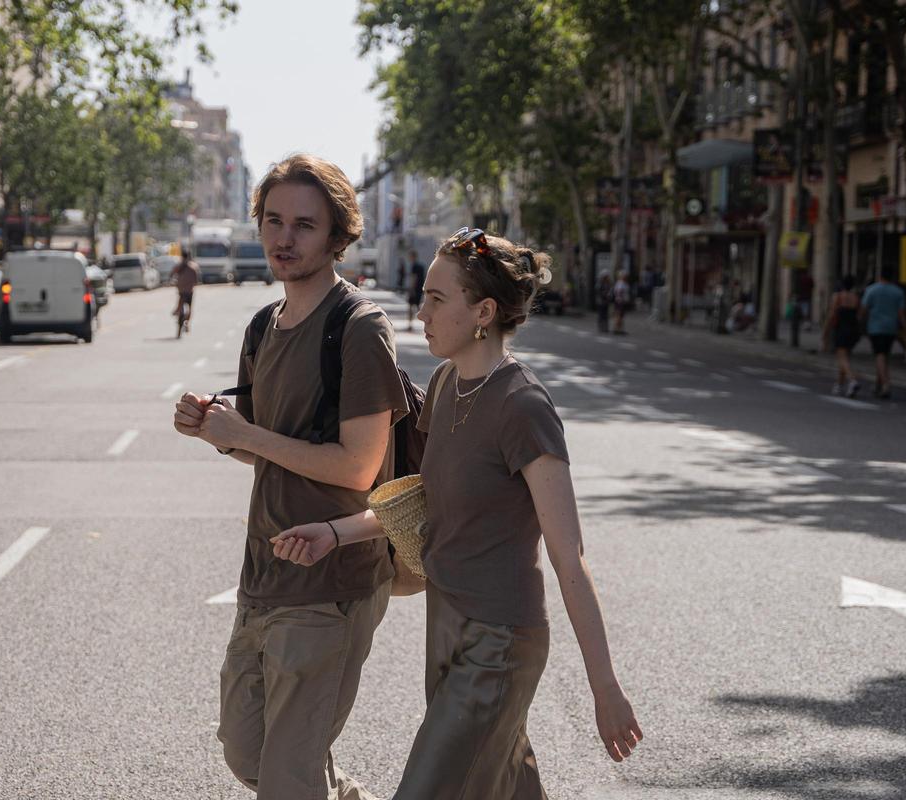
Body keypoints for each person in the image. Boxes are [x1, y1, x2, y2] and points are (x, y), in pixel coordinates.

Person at [271, 227, 642, 799]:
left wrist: (605, 687)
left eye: (437, 299)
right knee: (506, 785)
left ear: (483, 312)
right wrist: (333, 532)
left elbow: (570, 557)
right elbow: (426, 500)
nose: (421, 312)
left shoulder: (524, 407)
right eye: (425, 296)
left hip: (498, 643)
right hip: (445, 624)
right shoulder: (446, 383)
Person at [173, 154, 409, 800]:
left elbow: (358, 465)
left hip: (332, 580)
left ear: (337, 236)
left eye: (304, 225)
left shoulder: (358, 329)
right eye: (274, 221)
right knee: (245, 748)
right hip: (264, 575)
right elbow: (265, 449)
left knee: (286, 780)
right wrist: (216, 431)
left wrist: (245, 435)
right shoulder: (263, 326)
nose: (284, 238)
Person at [860, 266, 906, 399]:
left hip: (875, 327)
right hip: (891, 328)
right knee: (884, 355)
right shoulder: (898, 292)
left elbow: (864, 309)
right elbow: (901, 314)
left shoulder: (871, 290)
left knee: (879, 355)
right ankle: (878, 384)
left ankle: (886, 384)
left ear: (880, 276)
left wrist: (860, 321)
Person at [823, 276, 862, 397]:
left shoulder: (838, 297)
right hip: (853, 329)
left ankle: (852, 379)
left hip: (841, 329)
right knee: (845, 358)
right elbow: (860, 315)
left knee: (842, 357)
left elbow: (832, 314)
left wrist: (825, 331)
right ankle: (839, 385)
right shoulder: (856, 298)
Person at [170, 247, 201, 334]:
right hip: (189, 291)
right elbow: (196, 281)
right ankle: (187, 322)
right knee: (190, 308)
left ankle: (177, 310)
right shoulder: (193, 266)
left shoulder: (178, 266)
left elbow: (172, 274)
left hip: (181, 289)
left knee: (180, 301)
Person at [407, 249, 425, 331]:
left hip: (415, 289)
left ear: (413, 256)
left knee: (411, 307)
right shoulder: (421, 266)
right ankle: (426, 322)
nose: (409, 258)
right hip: (420, 289)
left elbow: (414, 278)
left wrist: (411, 289)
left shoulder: (414, 266)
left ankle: (410, 325)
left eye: (410, 256)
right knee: (418, 306)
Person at [612, 270, 631, 334]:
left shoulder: (623, 283)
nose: (626, 277)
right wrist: (621, 299)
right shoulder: (621, 283)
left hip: (622, 301)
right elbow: (619, 292)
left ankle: (619, 329)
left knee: (621, 315)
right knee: (619, 315)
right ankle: (616, 329)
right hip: (620, 301)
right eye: (624, 276)